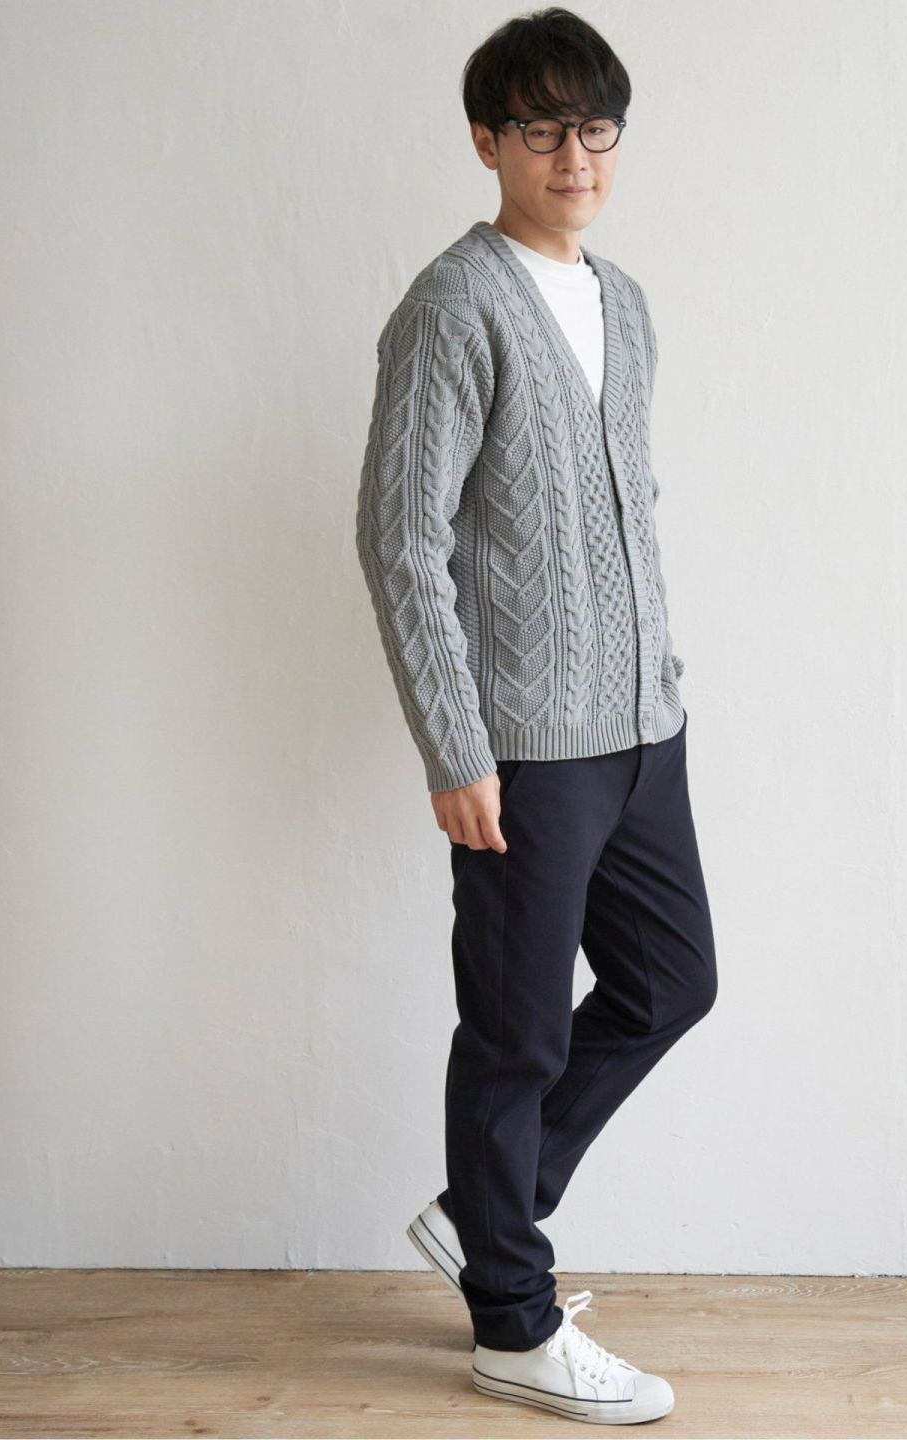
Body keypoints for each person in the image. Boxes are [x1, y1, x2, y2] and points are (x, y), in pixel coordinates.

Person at [355, 6, 718, 1425]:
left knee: (670, 981)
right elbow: (401, 541)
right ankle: (511, 1319)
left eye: (596, 127)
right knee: (516, 1034)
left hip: (642, 732)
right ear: (487, 141)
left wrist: (659, 686)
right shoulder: (453, 306)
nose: (576, 156)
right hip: (520, 747)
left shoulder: (625, 302)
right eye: (542, 128)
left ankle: (484, 1211)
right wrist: (455, 747)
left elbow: (623, 514)